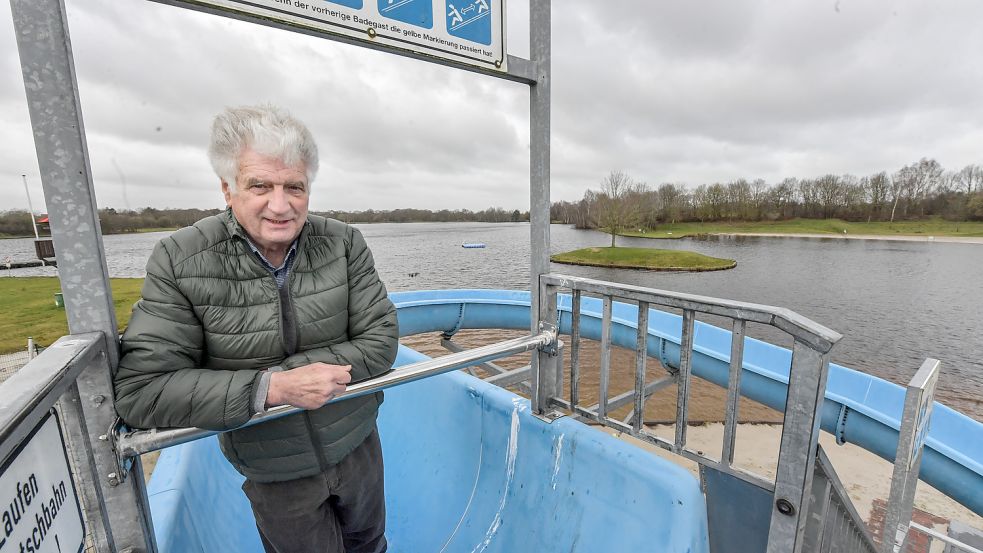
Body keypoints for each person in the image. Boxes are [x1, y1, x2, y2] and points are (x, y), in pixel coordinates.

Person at [113, 105, 398, 553]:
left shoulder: (344, 243)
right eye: (260, 185)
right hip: (274, 466)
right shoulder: (181, 259)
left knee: (370, 543)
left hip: (358, 442)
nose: (280, 205)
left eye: (294, 187)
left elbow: (381, 341)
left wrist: (301, 374)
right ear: (228, 189)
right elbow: (143, 391)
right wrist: (273, 388)